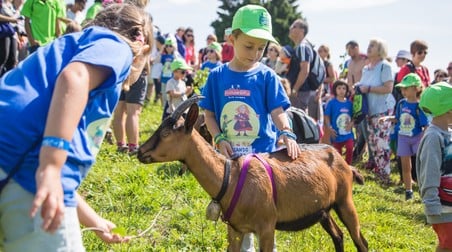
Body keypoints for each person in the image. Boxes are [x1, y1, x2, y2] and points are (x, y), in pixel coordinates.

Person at [0, 3, 152, 250]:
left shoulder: (75, 46)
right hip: (25, 169)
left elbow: (58, 172)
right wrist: (50, 166)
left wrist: (94, 221)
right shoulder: (118, 47)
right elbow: (74, 77)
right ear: (142, 48)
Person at [199, 5, 301, 251]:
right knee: (234, 214)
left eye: (261, 48)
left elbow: (278, 110)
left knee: (264, 215)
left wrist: (286, 131)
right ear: (232, 38)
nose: (255, 53)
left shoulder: (267, 76)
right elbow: (209, 114)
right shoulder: (217, 76)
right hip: (229, 160)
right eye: (249, 46)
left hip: (261, 162)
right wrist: (219, 136)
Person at [380, 73, 429, 200]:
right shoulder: (401, 103)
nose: (403, 91)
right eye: (402, 88)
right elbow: (397, 119)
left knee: (421, 165)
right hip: (403, 138)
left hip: (417, 138)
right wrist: (387, 118)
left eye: (406, 88)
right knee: (406, 166)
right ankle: (408, 191)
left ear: (416, 88)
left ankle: (425, 189)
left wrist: (425, 138)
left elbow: (425, 125)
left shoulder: (420, 106)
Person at [417, 82, 452, 252]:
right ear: (449, 110)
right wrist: (431, 204)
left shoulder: (448, 133)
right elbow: (428, 172)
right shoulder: (433, 137)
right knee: (448, 245)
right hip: (441, 207)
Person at [357, 38, 394, 184]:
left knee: (382, 143)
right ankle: (380, 171)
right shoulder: (366, 68)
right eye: (369, 45)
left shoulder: (385, 66)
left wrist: (369, 89)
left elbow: (388, 88)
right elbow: (363, 86)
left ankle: (385, 175)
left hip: (382, 111)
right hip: (369, 111)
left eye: (373, 45)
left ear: (380, 49)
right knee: (373, 143)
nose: (369, 47)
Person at [288, 18, 323, 122]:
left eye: (294, 26)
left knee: (298, 120)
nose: (290, 28)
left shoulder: (303, 46)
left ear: (302, 30)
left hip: (301, 92)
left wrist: (294, 89)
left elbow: (305, 70)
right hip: (302, 92)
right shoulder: (302, 46)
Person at [112, 67, 149, 154]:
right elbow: (146, 62)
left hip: (120, 73)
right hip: (136, 73)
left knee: (118, 112)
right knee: (133, 113)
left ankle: (120, 145)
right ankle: (133, 147)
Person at [324, 80, 354, 164]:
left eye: (344, 88)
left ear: (347, 90)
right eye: (339, 88)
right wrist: (329, 128)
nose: (341, 90)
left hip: (348, 133)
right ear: (335, 90)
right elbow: (326, 116)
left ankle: (348, 166)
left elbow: (354, 117)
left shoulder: (350, 103)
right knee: (338, 154)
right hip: (336, 133)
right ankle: (340, 168)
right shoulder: (331, 103)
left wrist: (351, 124)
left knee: (350, 147)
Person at [0, 0, 20, 76]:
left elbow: (17, 18)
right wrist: (11, 20)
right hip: (3, 32)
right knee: (3, 58)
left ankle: (8, 83)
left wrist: (19, 8)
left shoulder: (12, 3)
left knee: (13, 60)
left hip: (12, 32)